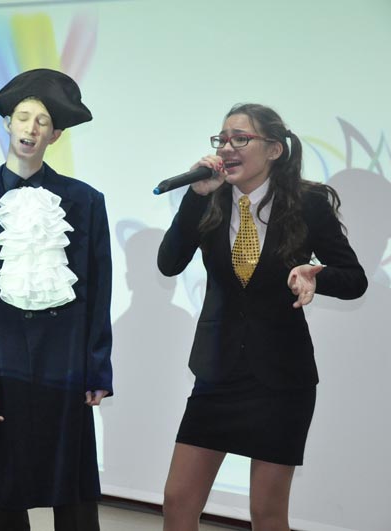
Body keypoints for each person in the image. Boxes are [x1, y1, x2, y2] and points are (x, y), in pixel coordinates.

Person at [157, 103, 368, 530]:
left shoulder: (307, 203)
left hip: (281, 379)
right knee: (178, 502)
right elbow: (169, 263)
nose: (227, 148)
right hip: (217, 374)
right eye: (222, 139)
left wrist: (316, 274)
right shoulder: (210, 199)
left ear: (274, 149)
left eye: (240, 138)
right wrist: (195, 197)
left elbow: (354, 279)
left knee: (267, 514)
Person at [0, 68, 113, 531]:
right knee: (4, 490)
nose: (31, 128)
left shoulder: (86, 202)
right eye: (23, 117)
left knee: (73, 492)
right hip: (1, 366)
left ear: (55, 134)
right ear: (7, 123)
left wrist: (97, 366)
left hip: (66, 361)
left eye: (43, 121)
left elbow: (99, 289)